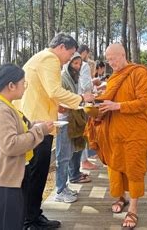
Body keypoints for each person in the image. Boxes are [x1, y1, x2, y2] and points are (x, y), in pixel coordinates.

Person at [15, 33, 94, 229]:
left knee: (35, 173)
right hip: (38, 124)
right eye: (70, 53)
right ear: (60, 47)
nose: (70, 58)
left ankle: (33, 215)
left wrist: (57, 104)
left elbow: (45, 91)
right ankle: (30, 220)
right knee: (36, 173)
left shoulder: (41, 58)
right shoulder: (50, 59)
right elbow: (54, 91)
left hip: (35, 120)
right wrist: (82, 99)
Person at [85, 44, 147, 229]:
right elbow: (109, 98)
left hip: (136, 132)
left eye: (113, 58)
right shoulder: (114, 77)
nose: (110, 62)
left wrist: (117, 106)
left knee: (133, 167)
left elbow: (144, 101)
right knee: (115, 166)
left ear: (123, 55)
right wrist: (96, 101)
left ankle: (133, 208)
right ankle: (120, 197)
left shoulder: (139, 72)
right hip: (114, 132)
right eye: (108, 59)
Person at [0, 64, 53, 230]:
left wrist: (33, 125)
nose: (25, 88)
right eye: (23, 83)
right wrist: (39, 131)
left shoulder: (6, 105)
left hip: (11, 178)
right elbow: (10, 145)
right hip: (2, 182)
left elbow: (16, 130)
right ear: (11, 85)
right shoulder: (0, 110)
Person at [55, 53, 90, 204]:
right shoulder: (62, 77)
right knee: (62, 157)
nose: (78, 66)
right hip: (63, 121)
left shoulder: (74, 78)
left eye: (79, 63)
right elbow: (59, 101)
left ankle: (65, 186)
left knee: (69, 155)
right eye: (75, 63)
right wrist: (79, 100)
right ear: (68, 63)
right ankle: (59, 190)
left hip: (72, 118)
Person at [77, 45, 99, 171]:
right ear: (85, 53)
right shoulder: (84, 65)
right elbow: (85, 86)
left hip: (73, 100)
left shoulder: (66, 65)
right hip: (82, 100)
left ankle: (82, 161)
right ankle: (84, 161)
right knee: (84, 132)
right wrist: (93, 83)